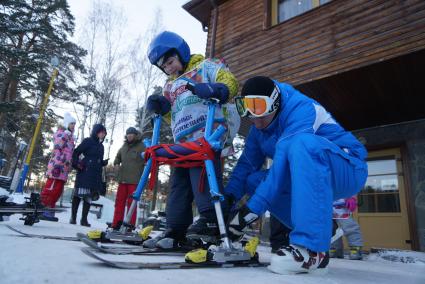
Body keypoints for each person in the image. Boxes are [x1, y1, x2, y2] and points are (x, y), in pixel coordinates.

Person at [224, 76, 368, 274]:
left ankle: (312, 249)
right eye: (249, 113)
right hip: (307, 172)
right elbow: (246, 166)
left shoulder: (300, 109)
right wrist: (227, 202)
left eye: (260, 114)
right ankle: (324, 228)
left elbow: (281, 164)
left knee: (302, 144)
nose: (255, 122)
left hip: (348, 169)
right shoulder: (259, 128)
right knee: (254, 181)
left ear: (275, 103)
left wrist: (248, 212)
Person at [144, 30, 239, 249]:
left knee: (202, 178)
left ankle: (211, 223)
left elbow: (229, 81)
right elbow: (173, 116)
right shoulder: (170, 86)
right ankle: (175, 229)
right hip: (183, 143)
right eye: (164, 66)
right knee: (179, 185)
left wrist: (219, 89)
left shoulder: (205, 67)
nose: (169, 68)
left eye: (170, 61)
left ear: (182, 53)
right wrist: (161, 107)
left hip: (207, 137)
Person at [40, 113, 76, 221]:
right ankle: (43, 208)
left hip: (64, 169)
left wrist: (70, 163)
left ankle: (50, 209)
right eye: (71, 123)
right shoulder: (61, 134)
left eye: (74, 124)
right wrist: (65, 135)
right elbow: (57, 148)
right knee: (51, 188)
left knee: (58, 190)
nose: (73, 126)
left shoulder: (70, 137)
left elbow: (70, 153)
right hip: (57, 167)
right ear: (66, 124)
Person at [70, 124, 108, 227]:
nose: (103, 135)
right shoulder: (88, 141)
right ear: (96, 132)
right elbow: (76, 152)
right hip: (84, 170)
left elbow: (98, 159)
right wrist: (76, 163)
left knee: (88, 196)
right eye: (102, 132)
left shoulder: (101, 146)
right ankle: (73, 217)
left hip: (95, 174)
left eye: (104, 133)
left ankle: (84, 219)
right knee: (78, 194)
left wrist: (102, 163)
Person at [111, 127, 145, 230]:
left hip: (134, 181)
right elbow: (117, 157)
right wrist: (116, 163)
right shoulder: (124, 146)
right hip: (122, 180)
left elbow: (148, 159)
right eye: (128, 134)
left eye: (131, 134)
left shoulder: (142, 147)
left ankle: (129, 226)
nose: (129, 136)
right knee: (119, 203)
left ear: (135, 135)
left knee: (131, 205)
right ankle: (116, 224)